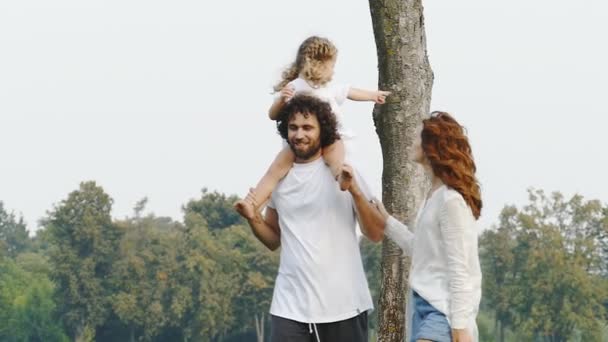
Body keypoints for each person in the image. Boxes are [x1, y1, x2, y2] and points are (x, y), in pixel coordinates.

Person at [236, 94, 385, 342]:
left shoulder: (345, 170)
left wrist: (354, 190)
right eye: (293, 127)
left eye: (307, 127)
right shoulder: (280, 178)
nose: (299, 134)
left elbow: (376, 233)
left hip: (344, 305)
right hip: (290, 306)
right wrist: (254, 219)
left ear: (322, 130)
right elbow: (273, 240)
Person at [235, 36, 390, 219]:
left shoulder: (328, 88)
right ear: (316, 64)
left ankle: (341, 178)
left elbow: (350, 92)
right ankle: (251, 204)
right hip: (299, 144)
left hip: (329, 138)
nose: (332, 71)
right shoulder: (294, 86)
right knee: (275, 170)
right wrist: (281, 101)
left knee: (336, 158)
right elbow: (272, 115)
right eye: (331, 66)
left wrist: (373, 95)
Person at [376, 112, 483, 342]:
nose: (413, 142)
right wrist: (387, 222)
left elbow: (460, 269)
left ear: (431, 145)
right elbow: (422, 250)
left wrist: (460, 328)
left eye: (418, 137)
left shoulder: (450, 201)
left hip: (441, 311)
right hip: (422, 306)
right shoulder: (433, 197)